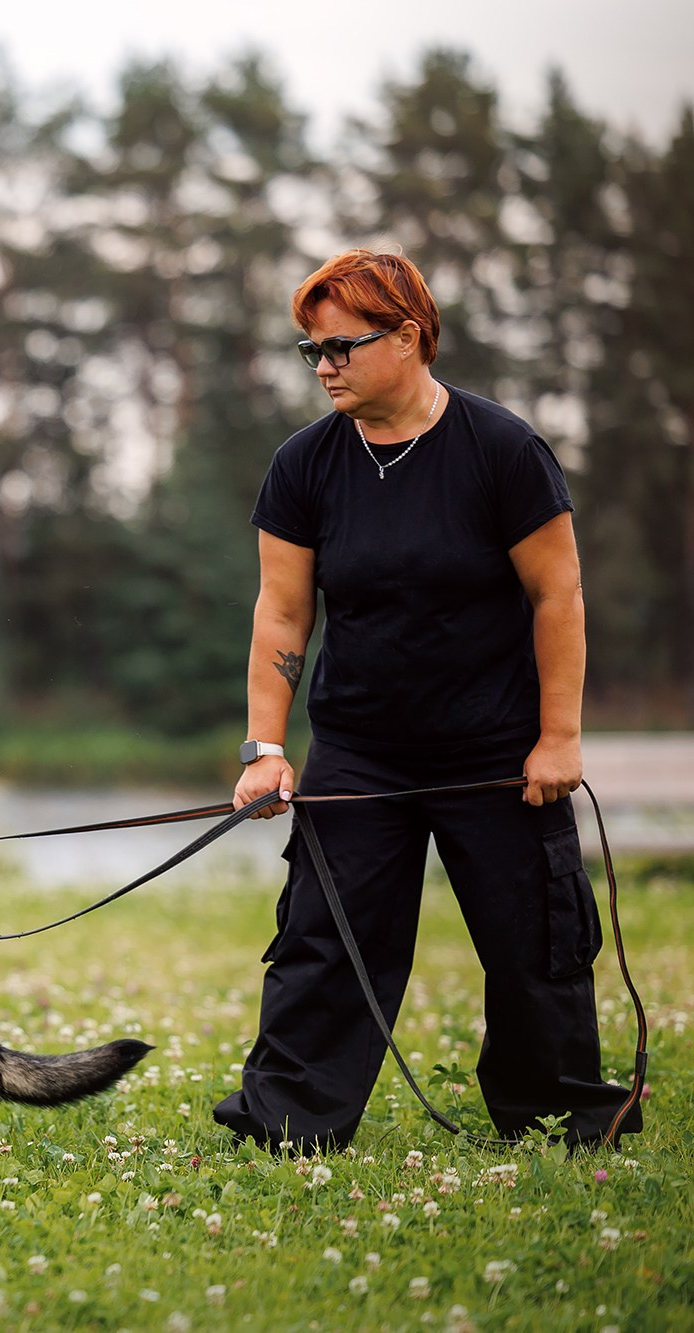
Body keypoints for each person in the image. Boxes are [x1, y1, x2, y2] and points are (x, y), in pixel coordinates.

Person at [214, 248, 638, 1152]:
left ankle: (560, 1122)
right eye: (310, 351)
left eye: (340, 347)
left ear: (409, 338)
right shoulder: (304, 464)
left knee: (536, 949)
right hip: (363, 751)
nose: (323, 366)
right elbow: (283, 613)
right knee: (322, 942)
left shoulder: (503, 449)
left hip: (498, 750)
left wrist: (558, 737)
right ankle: (289, 1125)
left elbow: (558, 596)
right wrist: (267, 748)